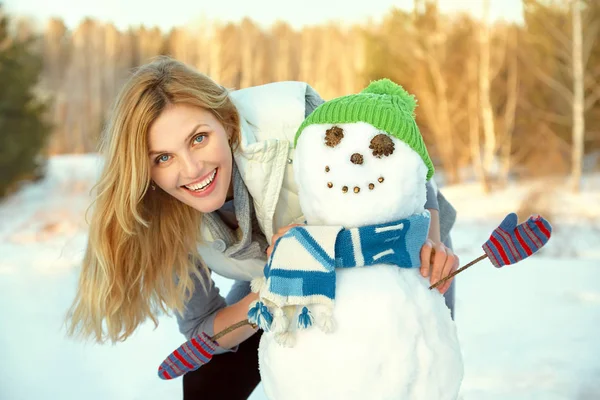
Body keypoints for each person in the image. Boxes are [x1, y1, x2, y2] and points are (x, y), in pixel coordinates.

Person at [67, 56, 459, 399]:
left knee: (402, 371)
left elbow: (395, 149)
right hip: (270, 274)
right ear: (144, 168)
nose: (192, 170)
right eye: (163, 157)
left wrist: (428, 240)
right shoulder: (155, 217)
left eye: (199, 138)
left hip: (392, 239)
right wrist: (273, 295)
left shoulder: (288, 119)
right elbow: (205, 328)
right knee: (208, 380)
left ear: (226, 123)